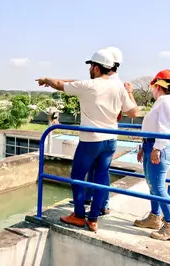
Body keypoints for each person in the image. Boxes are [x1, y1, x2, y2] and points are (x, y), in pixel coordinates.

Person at [36, 48, 138, 231]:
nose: (89, 69)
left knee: (77, 176)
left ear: (96, 68)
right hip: (111, 140)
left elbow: (59, 84)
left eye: (91, 66)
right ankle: (93, 220)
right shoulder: (119, 87)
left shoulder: (89, 86)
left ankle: (78, 215)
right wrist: (130, 93)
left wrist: (46, 79)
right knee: (100, 179)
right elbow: (133, 112)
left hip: (91, 140)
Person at [85, 46, 127, 215]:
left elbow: (125, 112)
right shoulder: (115, 82)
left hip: (100, 135)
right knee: (97, 169)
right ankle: (94, 201)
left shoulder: (112, 83)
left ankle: (102, 204)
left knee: (101, 170)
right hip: (106, 135)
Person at [133, 69, 170, 240]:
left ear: (158, 86)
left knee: (158, 186)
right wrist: (144, 145)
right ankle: (155, 217)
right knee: (152, 184)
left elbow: (164, 128)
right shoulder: (162, 101)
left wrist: (157, 148)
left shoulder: (164, 101)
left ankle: (168, 224)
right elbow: (153, 127)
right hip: (151, 145)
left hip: (157, 147)